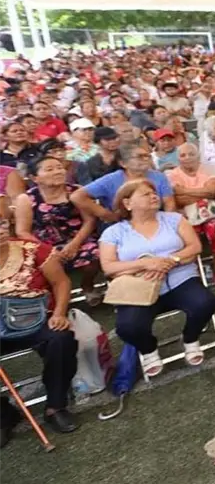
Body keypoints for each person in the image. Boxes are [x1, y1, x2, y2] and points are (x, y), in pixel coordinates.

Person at [100, 179, 215, 377]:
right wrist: (145, 264)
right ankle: (149, 349)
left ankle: (190, 339)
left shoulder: (174, 219)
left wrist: (171, 260)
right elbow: (109, 266)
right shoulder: (113, 232)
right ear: (127, 204)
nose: (154, 196)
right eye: (145, 194)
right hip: (138, 287)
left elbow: (195, 247)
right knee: (127, 327)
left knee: (205, 302)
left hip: (180, 279)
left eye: (154, 193)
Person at [0, 217, 80, 444]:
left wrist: (60, 314)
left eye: (2, 223)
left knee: (60, 338)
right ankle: (3, 416)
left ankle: (56, 406)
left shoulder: (33, 250)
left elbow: (61, 283)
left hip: (35, 319)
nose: (0, 230)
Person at [14, 156, 101, 303]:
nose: (58, 172)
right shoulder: (26, 199)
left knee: (96, 253)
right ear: (34, 177)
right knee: (41, 263)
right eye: (49, 169)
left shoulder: (77, 191)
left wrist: (74, 245)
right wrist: (47, 250)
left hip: (78, 239)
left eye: (59, 168)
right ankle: (55, 299)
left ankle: (88, 286)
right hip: (44, 245)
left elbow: (89, 220)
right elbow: (22, 231)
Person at [72, 139, 177, 222]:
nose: (146, 159)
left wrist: (167, 224)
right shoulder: (111, 180)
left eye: (147, 156)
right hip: (122, 224)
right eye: (140, 157)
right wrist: (106, 214)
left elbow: (169, 204)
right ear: (123, 163)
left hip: (154, 220)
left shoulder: (159, 177)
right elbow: (77, 196)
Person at [166, 143, 215, 286]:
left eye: (191, 154)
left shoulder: (209, 168)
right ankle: (194, 274)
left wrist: (185, 191)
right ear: (178, 158)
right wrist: (203, 192)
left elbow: (212, 191)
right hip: (186, 216)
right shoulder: (172, 174)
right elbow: (178, 199)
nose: (187, 158)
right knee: (185, 238)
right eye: (182, 155)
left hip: (211, 213)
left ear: (198, 155)